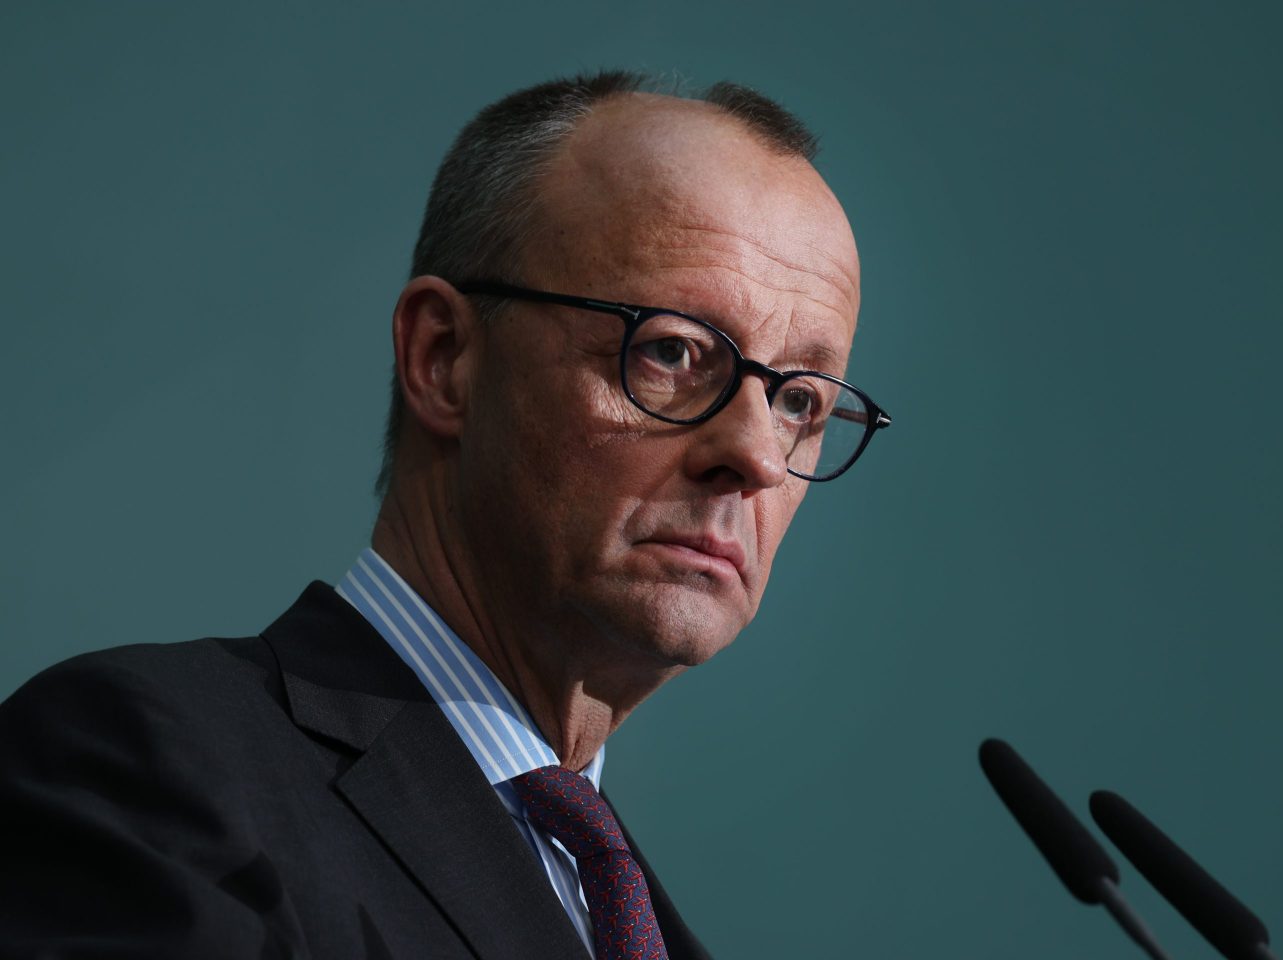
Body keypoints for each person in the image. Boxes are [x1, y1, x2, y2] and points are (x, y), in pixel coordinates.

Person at [0, 70, 890, 959]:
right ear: (444, 358)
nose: (757, 456)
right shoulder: (149, 769)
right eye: (673, 352)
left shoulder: (633, 918)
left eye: (802, 402)